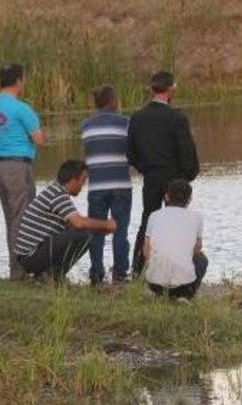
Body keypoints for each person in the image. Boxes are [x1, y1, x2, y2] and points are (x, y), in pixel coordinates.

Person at [127, 71, 199, 276]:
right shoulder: (177, 117)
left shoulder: (137, 118)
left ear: (153, 89)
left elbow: (130, 153)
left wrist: (145, 169)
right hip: (175, 178)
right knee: (177, 221)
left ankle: (138, 269)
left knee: (148, 220)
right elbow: (187, 151)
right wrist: (187, 176)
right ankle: (178, 267)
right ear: (170, 89)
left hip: (151, 177)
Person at [14, 160, 116, 281]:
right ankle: (52, 276)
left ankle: (49, 275)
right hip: (30, 257)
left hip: (29, 256)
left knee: (84, 233)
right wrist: (107, 224)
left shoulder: (55, 191)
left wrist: (100, 230)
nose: (83, 185)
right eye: (83, 180)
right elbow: (78, 223)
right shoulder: (58, 195)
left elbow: (72, 226)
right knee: (84, 235)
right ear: (73, 180)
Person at [0, 63, 44, 279]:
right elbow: (39, 138)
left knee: (10, 218)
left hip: (0, 166)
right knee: (24, 218)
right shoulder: (22, 108)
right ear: (18, 81)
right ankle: (20, 270)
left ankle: (16, 267)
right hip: (19, 167)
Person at [81, 84, 132, 285]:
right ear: (112, 101)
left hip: (96, 186)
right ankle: (120, 273)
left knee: (96, 230)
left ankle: (96, 273)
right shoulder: (125, 123)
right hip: (120, 183)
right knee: (120, 230)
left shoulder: (86, 125)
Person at [143, 179, 207, 300]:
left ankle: (159, 293)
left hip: (154, 284)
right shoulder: (197, 217)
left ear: (166, 196)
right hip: (184, 285)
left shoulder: (154, 216)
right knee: (202, 259)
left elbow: (146, 251)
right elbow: (197, 248)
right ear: (189, 199)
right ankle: (186, 295)